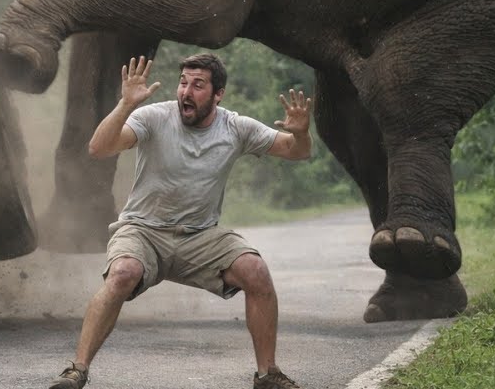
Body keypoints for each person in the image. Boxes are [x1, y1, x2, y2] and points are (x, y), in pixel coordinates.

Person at [49, 53, 313, 389]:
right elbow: (99, 148)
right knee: (122, 273)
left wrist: (301, 133)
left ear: (218, 94)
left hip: (200, 237)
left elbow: (297, 151)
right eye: (183, 82)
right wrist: (124, 104)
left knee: (256, 272)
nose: (186, 92)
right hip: (142, 229)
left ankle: (268, 375)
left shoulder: (235, 127)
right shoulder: (153, 117)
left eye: (198, 85)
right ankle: (76, 371)